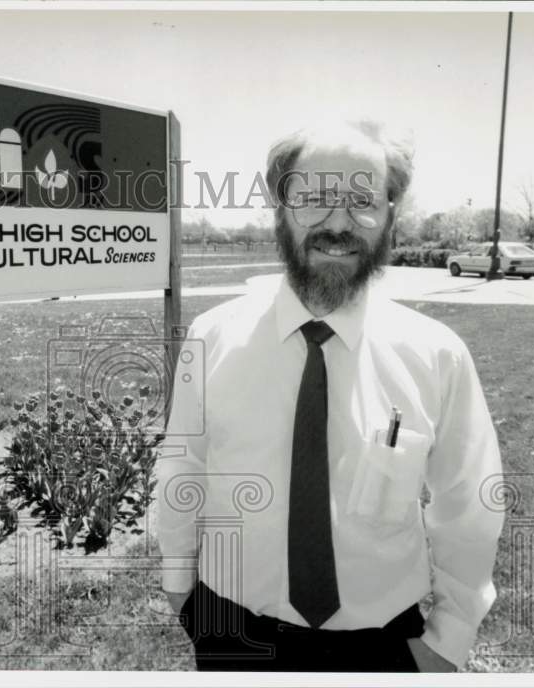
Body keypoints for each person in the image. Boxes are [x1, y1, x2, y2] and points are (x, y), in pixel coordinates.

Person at [155, 120, 504, 672]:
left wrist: (448, 638)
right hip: (230, 633)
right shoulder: (212, 336)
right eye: (313, 197)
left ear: (392, 214)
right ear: (280, 208)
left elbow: (469, 504)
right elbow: (184, 469)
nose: (338, 223)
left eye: (363, 200)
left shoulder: (438, 356)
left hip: (382, 647)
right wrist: (180, 585)